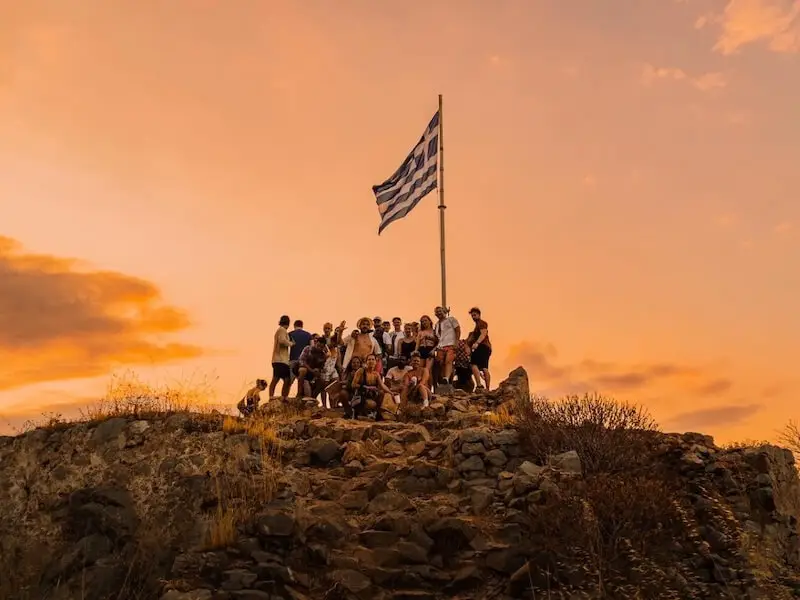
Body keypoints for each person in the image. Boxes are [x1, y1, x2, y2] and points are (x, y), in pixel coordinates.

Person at [350, 354, 394, 420]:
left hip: (370, 395)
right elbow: (353, 385)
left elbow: (382, 385)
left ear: (376, 362)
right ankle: (357, 411)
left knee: (382, 393)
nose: (371, 361)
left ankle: (378, 414)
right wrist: (366, 387)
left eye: (373, 359)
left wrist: (391, 393)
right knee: (372, 404)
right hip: (360, 396)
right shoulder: (361, 371)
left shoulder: (376, 374)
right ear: (366, 362)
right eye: (369, 359)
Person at [434, 306, 461, 386]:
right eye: (437, 312)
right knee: (441, 363)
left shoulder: (451, 319)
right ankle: (443, 380)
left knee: (449, 361)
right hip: (440, 346)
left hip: (451, 344)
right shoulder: (436, 324)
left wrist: (456, 342)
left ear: (444, 312)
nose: (439, 313)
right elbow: (438, 337)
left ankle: (446, 378)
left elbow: (458, 330)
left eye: (440, 311)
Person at [269, 315, 294, 401]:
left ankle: (281, 396)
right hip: (280, 360)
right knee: (279, 379)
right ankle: (275, 396)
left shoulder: (279, 331)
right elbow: (282, 341)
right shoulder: (282, 330)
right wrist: (291, 344)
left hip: (279, 360)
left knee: (283, 379)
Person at [468, 307, 492, 391]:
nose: (473, 317)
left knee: (473, 364)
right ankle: (487, 388)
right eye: (472, 316)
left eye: (474, 315)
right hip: (487, 347)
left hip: (482, 346)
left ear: (479, 315)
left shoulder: (481, 323)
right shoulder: (477, 325)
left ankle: (479, 385)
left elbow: (483, 333)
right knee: (484, 367)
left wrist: (477, 343)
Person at [289, 320, 312, 395]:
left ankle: (285, 398)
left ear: (294, 326)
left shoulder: (290, 334)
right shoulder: (308, 335)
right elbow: (311, 348)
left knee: (289, 381)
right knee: (305, 381)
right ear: (302, 326)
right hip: (304, 362)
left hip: (293, 359)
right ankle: (308, 399)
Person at [319, 337, 340, 409]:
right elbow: (321, 361)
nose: (333, 343)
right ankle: (324, 405)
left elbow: (338, 362)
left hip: (333, 370)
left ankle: (333, 406)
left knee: (335, 387)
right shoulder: (324, 349)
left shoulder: (337, 350)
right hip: (325, 370)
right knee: (323, 388)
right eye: (332, 342)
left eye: (334, 342)